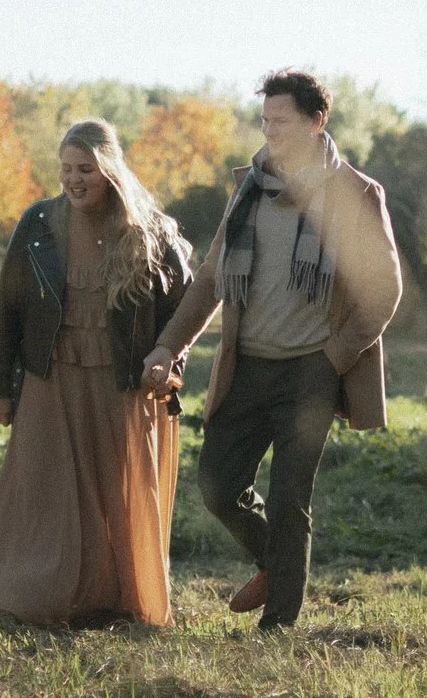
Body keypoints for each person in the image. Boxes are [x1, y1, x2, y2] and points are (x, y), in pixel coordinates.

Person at [142, 70, 403, 629]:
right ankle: (275, 563)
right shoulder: (250, 190)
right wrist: (168, 344)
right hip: (248, 367)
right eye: (265, 121)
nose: (270, 132)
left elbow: (385, 288)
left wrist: (335, 358)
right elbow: (212, 278)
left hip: (312, 372)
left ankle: (278, 626)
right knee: (218, 486)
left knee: (290, 502)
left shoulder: (354, 193)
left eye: (281, 122)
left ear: (317, 121)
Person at [0, 118, 193, 627]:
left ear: (109, 169)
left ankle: (110, 602)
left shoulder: (151, 229)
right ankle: (28, 599)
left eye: (85, 169)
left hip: (122, 386)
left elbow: (188, 306)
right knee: (44, 490)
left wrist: (169, 359)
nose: (74, 179)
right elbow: (11, 309)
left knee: (116, 492)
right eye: (66, 169)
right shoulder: (38, 223)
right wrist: (2, 388)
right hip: (51, 376)